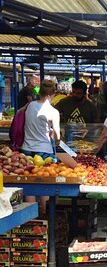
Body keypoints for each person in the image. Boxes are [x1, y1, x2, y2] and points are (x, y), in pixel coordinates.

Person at [21, 79, 60, 215]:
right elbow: (57, 135)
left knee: (29, 182)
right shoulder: (53, 111)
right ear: (51, 95)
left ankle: (31, 217)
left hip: (26, 149)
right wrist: (53, 134)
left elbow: (21, 114)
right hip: (44, 151)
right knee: (44, 182)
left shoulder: (30, 105)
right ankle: (44, 214)